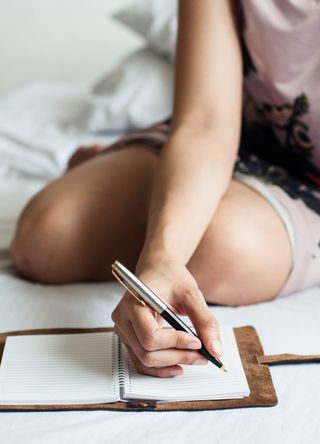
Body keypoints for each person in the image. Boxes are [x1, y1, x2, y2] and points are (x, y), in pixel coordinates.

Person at [10, 1, 320, 377]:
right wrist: (161, 259)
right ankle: (149, 183)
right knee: (46, 239)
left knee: (218, 246)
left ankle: (140, 184)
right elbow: (205, 121)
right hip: (228, 132)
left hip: (310, 180)